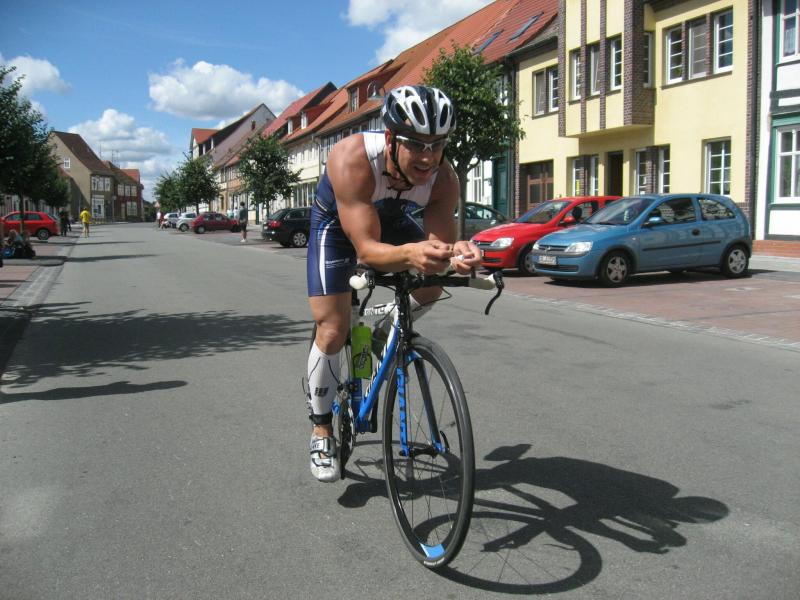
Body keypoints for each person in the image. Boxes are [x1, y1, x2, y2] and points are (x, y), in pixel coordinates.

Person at [305, 85, 481, 482]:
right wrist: (411, 254)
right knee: (333, 328)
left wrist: (457, 253)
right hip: (338, 226)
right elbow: (367, 249)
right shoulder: (351, 157)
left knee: (432, 283)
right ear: (390, 139)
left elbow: (437, 247)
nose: (428, 157)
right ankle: (321, 430)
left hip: (392, 218)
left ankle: (382, 329)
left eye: (437, 145)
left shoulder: (444, 178)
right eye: (416, 144)